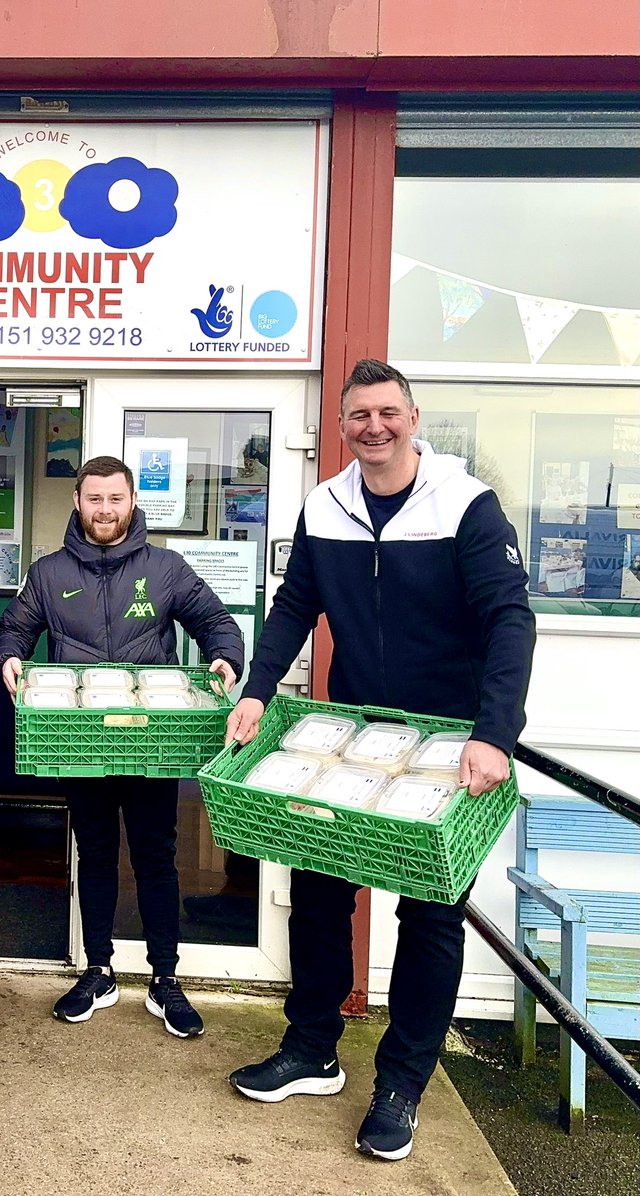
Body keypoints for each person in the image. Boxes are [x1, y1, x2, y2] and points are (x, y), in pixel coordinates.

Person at [224, 359, 535, 1161]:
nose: (374, 427)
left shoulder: (464, 503)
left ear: (412, 415)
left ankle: (401, 1084)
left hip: (450, 743)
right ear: (340, 424)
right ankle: (311, 1048)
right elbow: (296, 604)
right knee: (320, 893)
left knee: (430, 916)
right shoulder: (324, 506)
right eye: (359, 414)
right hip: (353, 736)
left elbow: (510, 620)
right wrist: (258, 692)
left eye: (388, 413)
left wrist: (494, 732)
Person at [0, 455, 245, 1038]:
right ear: (77, 503)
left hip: (151, 740)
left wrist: (226, 657)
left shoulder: (165, 569)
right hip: (79, 740)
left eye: (115, 499)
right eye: (94, 499)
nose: (105, 510)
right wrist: (10, 654)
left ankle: (165, 979)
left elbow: (217, 622)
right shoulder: (50, 573)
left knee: (157, 857)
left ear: (132, 503)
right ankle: (98, 969)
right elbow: (14, 628)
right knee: (96, 853)